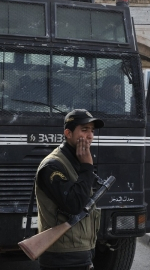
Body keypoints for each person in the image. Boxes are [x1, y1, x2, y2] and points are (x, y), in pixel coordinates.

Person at [35, 109, 104, 270]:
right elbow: (73, 205)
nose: (90, 136)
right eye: (84, 130)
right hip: (62, 255)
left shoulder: (76, 160)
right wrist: (87, 167)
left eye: (92, 131)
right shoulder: (53, 165)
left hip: (79, 250)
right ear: (68, 133)